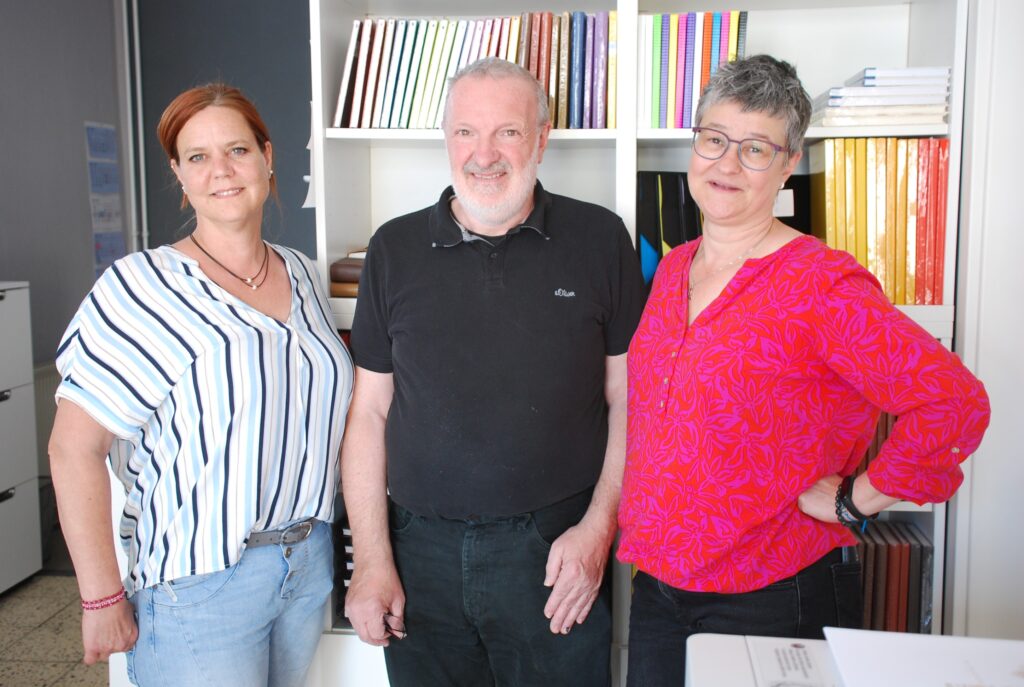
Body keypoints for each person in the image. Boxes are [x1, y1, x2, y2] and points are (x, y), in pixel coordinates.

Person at [617, 55, 990, 686]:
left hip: (768, 595)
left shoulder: (822, 285)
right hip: (658, 588)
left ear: (790, 162)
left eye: (756, 148)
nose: (726, 164)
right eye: (714, 139)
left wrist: (855, 500)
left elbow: (953, 402)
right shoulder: (675, 267)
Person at [341, 56, 645, 686]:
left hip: (555, 552)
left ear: (541, 137)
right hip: (417, 552)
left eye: (507, 131)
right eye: (465, 133)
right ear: (446, 139)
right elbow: (368, 413)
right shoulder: (392, 250)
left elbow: (631, 402)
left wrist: (597, 532)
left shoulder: (600, 239)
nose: (484, 155)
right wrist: (371, 559)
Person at [48, 83, 353, 687]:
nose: (222, 171)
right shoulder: (140, 288)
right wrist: (101, 597)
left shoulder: (304, 274)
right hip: (202, 580)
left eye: (237, 150)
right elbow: (71, 449)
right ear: (179, 176)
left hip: (306, 566)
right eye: (198, 157)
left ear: (268, 157)